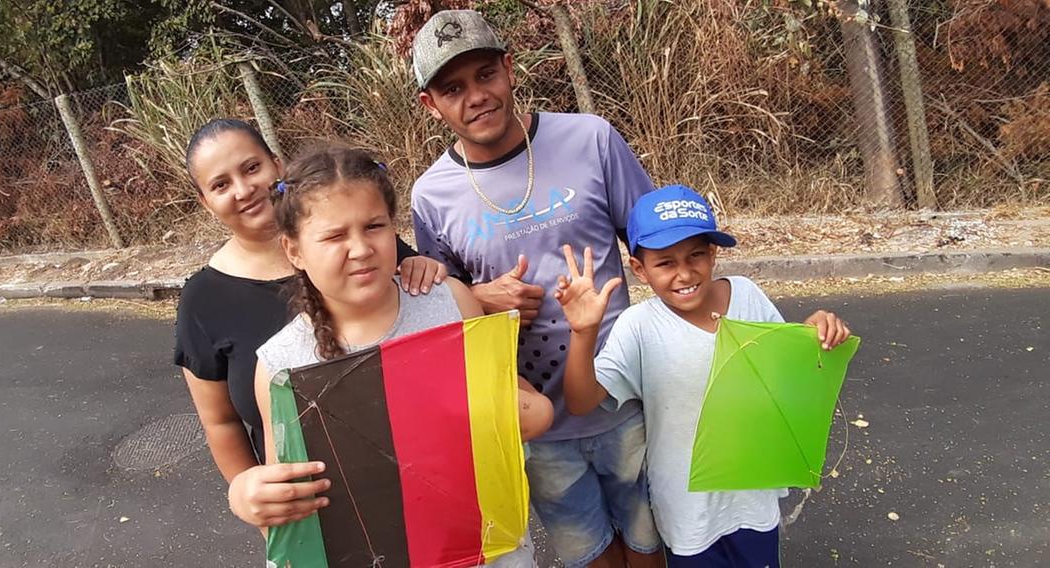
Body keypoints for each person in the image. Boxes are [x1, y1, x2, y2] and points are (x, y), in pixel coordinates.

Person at [409, 10, 663, 567]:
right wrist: (479, 296)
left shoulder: (590, 139)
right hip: (533, 420)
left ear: (509, 68)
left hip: (627, 401)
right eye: (453, 88)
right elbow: (437, 308)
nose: (475, 96)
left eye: (484, 75)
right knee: (587, 552)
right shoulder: (431, 196)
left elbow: (657, 249)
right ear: (431, 104)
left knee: (649, 542)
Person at [244, 144, 554, 565]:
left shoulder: (449, 303)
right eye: (335, 235)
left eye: (374, 226)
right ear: (294, 250)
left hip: (488, 552)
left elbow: (529, 410)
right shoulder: (281, 365)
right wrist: (247, 494)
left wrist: (524, 412)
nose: (360, 248)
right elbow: (289, 495)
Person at [555, 185, 852, 567]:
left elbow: (788, 370)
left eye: (696, 255)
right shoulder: (640, 326)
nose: (684, 273)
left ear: (713, 254)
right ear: (639, 269)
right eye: (665, 262)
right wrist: (583, 333)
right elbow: (581, 402)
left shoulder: (746, 294)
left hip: (752, 492)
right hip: (686, 507)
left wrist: (815, 331)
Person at [173, 119, 448, 527]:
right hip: (317, 511)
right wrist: (249, 495)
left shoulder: (361, 247)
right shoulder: (203, 300)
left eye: (251, 168)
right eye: (220, 184)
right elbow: (221, 421)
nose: (244, 190)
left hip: (427, 484)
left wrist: (428, 271)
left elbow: (426, 311)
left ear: (277, 164)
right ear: (205, 202)